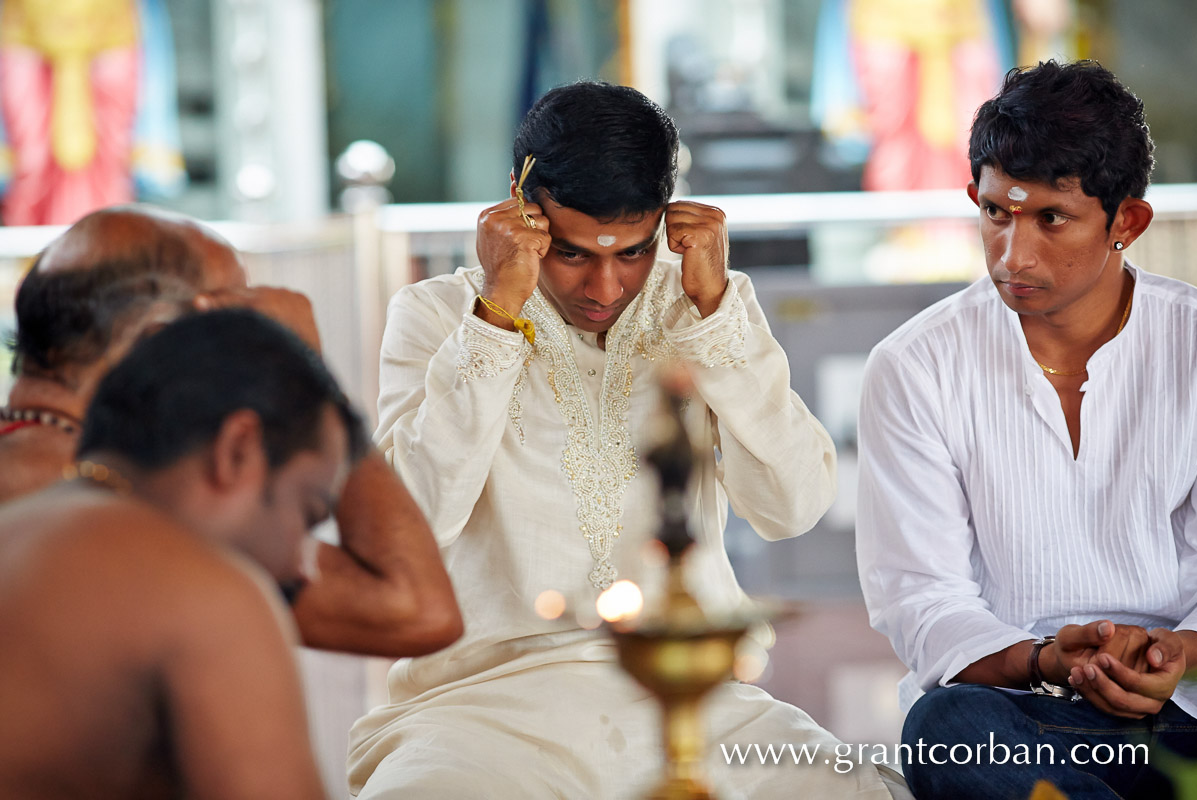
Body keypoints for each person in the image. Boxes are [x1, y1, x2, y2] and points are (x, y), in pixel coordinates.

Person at [350, 81, 907, 798]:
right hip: (487, 708)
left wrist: (712, 319)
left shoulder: (698, 305)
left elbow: (792, 506)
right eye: (575, 253)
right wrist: (496, 316)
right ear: (520, 212)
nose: (607, 287)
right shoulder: (438, 316)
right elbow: (416, 527)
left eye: (634, 253)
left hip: (696, 692)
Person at [856, 60, 1197, 798]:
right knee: (946, 729)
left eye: (1051, 218)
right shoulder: (915, 366)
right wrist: (1047, 660)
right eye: (996, 214)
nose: (1014, 256)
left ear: (1127, 223)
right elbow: (922, 600)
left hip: (1188, 706)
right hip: (1023, 713)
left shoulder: (1196, 344)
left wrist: (1180, 652)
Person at [1, 204, 462, 658]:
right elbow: (416, 609)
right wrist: (306, 370)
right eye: (237, 327)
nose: (248, 355)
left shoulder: (68, 466)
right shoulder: (134, 499)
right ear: (158, 340)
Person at [0, 309, 365, 799]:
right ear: (237, 449)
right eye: (308, 511)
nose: (303, 567)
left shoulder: (20, 527)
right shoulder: (206, 594)